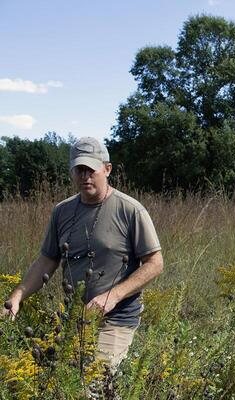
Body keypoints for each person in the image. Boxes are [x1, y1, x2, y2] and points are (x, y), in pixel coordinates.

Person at [2, 137, 163, 371]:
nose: (85, 176)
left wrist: (113, 296)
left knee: (95, 382)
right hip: (74, 318)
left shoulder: (130, 210)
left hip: (116, 318)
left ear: (107, 169)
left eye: (91, 169)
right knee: (63, 380)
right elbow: (47, 260)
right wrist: (17, 296)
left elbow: (155, 263)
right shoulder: (62, 211)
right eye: (79, 170)